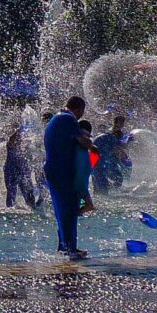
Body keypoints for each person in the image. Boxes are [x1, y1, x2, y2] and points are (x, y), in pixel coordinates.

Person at [44, 96, 96, 259]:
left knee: (63, 210)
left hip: (55, 169)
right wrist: (93, 147)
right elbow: (83, 142)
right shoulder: (68, 119)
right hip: (62, 171)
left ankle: (65, 247)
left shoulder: (56, 118)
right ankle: (70, 249)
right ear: (79, 109)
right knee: (69, 210)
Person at [3, 125, 39, 210]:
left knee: (28, 192)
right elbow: (11, 139)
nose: (19, 139)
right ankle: (10, 209)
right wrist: (20, 130)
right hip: (11, 171)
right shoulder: (10, 146)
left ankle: (33, 208)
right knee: (11, 193)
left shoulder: (24, 148)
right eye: (18, 137)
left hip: (22, 172)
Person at [92, 119, 126, 193]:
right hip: (102, 162)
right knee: (117, 179)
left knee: (96, 179)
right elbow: (117, 150)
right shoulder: (112, 138)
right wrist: (123, 156)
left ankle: (97, 193)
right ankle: (107, 190)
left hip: (94, 159)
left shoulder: (103, 136)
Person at [75, 120, 95, 215]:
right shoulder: (86, 150)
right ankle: (79, 211)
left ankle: (79, 211)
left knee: (80, 186)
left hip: (79, 179)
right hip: (85, 166)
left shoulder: (78, 136)